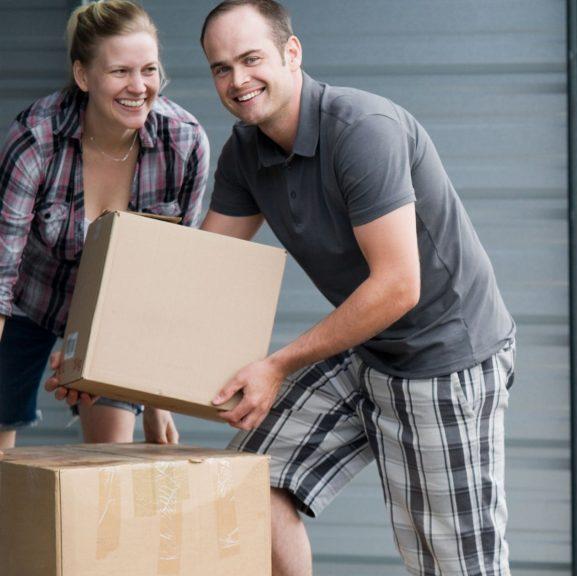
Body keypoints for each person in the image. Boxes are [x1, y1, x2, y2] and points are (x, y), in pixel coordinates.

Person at [197, 1, 516, 574]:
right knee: (250, 479)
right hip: (367, 347)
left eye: (251, 59)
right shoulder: (246, 151)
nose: (237, 80)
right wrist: (102, 368)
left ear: (292, 53)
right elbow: (200, 264)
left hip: (442, 356)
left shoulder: (362, 131)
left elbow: (398, 287)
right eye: (222, 68)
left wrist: (276, 366)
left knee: (450, 561)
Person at [2, 0, 209, 448]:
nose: (139, 87)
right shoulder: (36, 139)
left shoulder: (184, 143)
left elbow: (170, 275)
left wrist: (157, 401)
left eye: (149, 70)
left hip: (113, 311)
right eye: (120, 72)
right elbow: (1, 273)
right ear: (83, 76)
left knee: (111, 457)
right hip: (25, 300)